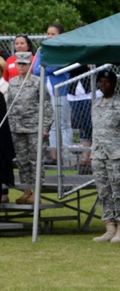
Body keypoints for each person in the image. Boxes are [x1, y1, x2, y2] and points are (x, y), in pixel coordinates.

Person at [89, 69, 120, 243]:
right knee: (103, 191)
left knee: (118, 191)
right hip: (99, 154)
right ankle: (109, 226)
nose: (104, 85)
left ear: (114, 83)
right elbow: (95, 131)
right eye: (101, 82)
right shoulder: (96, 103)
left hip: (118, 154)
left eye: (107, 82)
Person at [6, 52, 52, 204]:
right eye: (19, 63)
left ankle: (37, 192)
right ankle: (27, 191)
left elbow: (46, 106)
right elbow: (9, 105)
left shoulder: (38, 82)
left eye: (24, 64)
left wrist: (45, 127)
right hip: (17, 128)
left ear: (30, 65)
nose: (21, 66)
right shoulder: (12, 82)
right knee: (22, 160)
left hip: (34, 128)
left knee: (36, 160)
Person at [32, 24, 74, 164]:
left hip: (60, 92)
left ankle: (67, 157)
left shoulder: (64, 49)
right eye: (48, 33)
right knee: (51, 125)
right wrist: (46, 67)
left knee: (63, 124)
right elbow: (36, 70)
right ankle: (55, 157)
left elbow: (56, 67)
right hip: (46, 92)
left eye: (53, 34)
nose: (49, 36)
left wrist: (45, 67)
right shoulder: (42, 50)